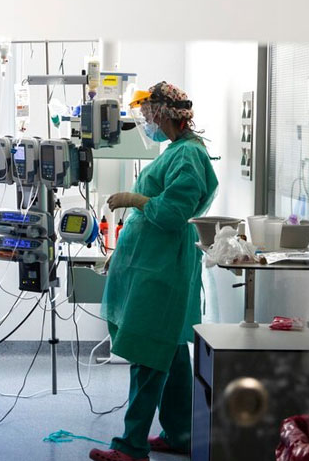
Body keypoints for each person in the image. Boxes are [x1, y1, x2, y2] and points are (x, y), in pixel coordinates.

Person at [89, 82, 218, 461]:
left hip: (162, 270)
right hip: (152, 262)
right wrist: (121, 252)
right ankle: (181, 434)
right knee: (171, 354)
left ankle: (131, 446)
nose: (147, 123)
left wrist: (136, 199)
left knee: (148, 352)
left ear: (164, 113)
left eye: (148, 116)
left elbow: (173, 213)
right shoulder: (177, 150)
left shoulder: (189, 155)